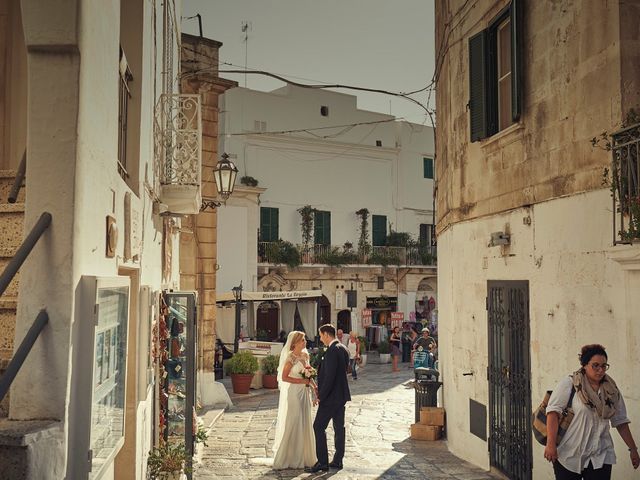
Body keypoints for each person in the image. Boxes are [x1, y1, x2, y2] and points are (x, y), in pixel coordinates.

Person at [544, 344, 639, 479]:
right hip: (569, 455)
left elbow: (620, 421)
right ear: (584, 365)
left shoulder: (611, 391)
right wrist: (550, 444)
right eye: (595, 365)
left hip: (600, 455)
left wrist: (633, 449)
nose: (600, 370)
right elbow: (553, 413)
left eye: (604, 366)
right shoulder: (570, 384)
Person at [306, 324, 351, 473]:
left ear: (326, 334)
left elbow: (330, 377)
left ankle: (323, 462)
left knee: (318, 427)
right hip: (341, 396)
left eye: (321, 335)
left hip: (331, 397)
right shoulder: (343, 348)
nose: (320, 339)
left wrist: (320, 396)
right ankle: (338, 460)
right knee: (339, 427)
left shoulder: (332, 350)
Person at [272, 331, 317, 470]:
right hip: (294, 393)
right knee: (294, 421)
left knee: (304, 421)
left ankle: (304, 457)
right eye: (303, 340)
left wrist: (315, 388)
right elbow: (284, 377)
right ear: (296, 342)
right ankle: (288, 457)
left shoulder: (305, 355)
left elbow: (309, 374)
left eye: (304, 340)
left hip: (305, 392)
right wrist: (302, 380)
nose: (305, 342)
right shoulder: (290, 358)